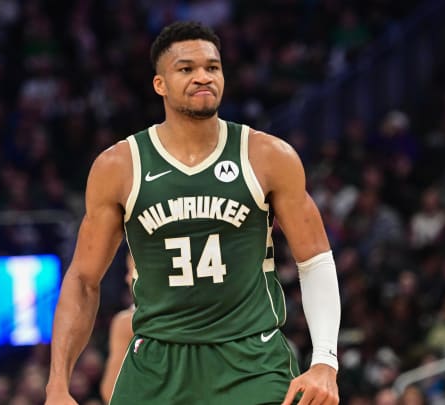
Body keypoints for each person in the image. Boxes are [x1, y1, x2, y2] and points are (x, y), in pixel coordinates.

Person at [45, 21, 341, 405]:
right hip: (156, 363)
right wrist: (56, 385)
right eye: (186, 69)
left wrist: (325, 362)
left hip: (250, 359)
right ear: (160, 84)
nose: (203, 77)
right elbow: (84, 280)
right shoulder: (119, 165)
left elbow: (315, 260)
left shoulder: (267, 156)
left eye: (212, 68)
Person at [99, 253, 135, 404]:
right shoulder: (126, 323)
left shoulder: (128, 323)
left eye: (132, 271)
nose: (127, 278)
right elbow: (110, 392)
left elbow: (110, 392)